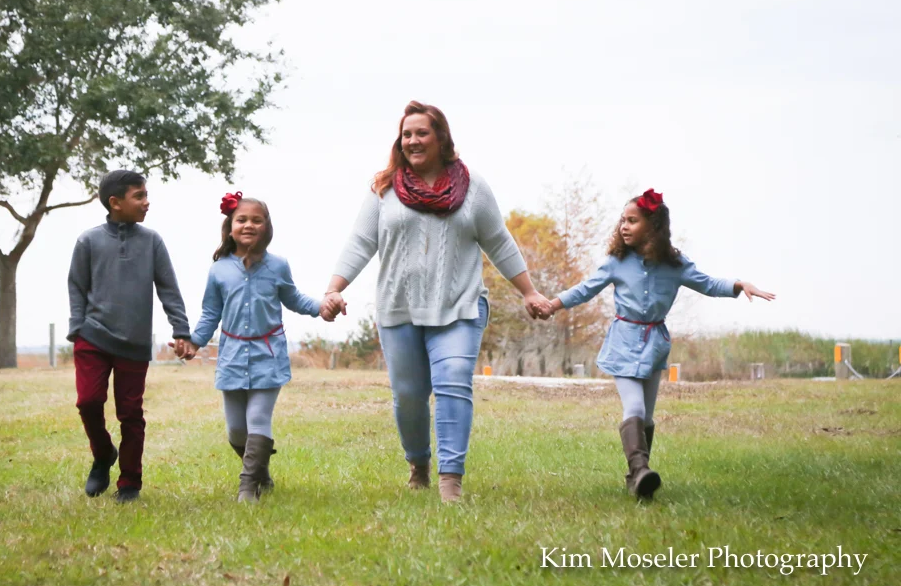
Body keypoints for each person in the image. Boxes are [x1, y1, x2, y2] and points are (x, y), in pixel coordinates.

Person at [321, 101, 550, 502]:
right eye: (406, 134)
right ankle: (418, 463)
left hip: (459, 305)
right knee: (409, 396)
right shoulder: (384, 188)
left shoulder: (473, 187)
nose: (412, 141)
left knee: (453, 382)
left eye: (421, 133)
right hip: (399, 307)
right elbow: (361, 241)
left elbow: (499, 241)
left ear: (441, 137)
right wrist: (333, 288)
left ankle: (450, 480)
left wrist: (529, 291)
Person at [542, 188, 776, 500]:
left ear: (653, 226)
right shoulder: (616, 262)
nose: (624, 226)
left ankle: (639, 480)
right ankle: (640, 470)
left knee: (648, 419)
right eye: (622, 220)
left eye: (632, 221)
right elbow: (585, 289)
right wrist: (552, 304)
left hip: (654, 345)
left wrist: (739, 285)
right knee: (635, 408)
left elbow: (708, 284)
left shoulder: (675, 265)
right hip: (623, 343)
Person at [184, 191, 324, 503]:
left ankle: (247, 488)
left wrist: (322, 308)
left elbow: (295, 299)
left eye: (256, 220)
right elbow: (210, 313)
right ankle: (261, 471)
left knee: (258, 418)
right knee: (236, 430)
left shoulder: (278, 266)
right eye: (242, 220)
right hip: (232, 356)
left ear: (267, 227)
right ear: (230, 227)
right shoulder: (219, 270)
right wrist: (194, 342)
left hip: (268, 355)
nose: (249, 225)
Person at [67, 170, 193, 503]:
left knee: (130, 414)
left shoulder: (152, 241)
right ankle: (103, 453)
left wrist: (181, 330)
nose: (146, 202)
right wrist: (77, 327)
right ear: (115, 202)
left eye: (146, 195)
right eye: (139, 196)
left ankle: (129, 482)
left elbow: (168, 288)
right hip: (92, 337)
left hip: (134, 342)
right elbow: (76, 286)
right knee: (88, 402)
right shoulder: (88, 241)